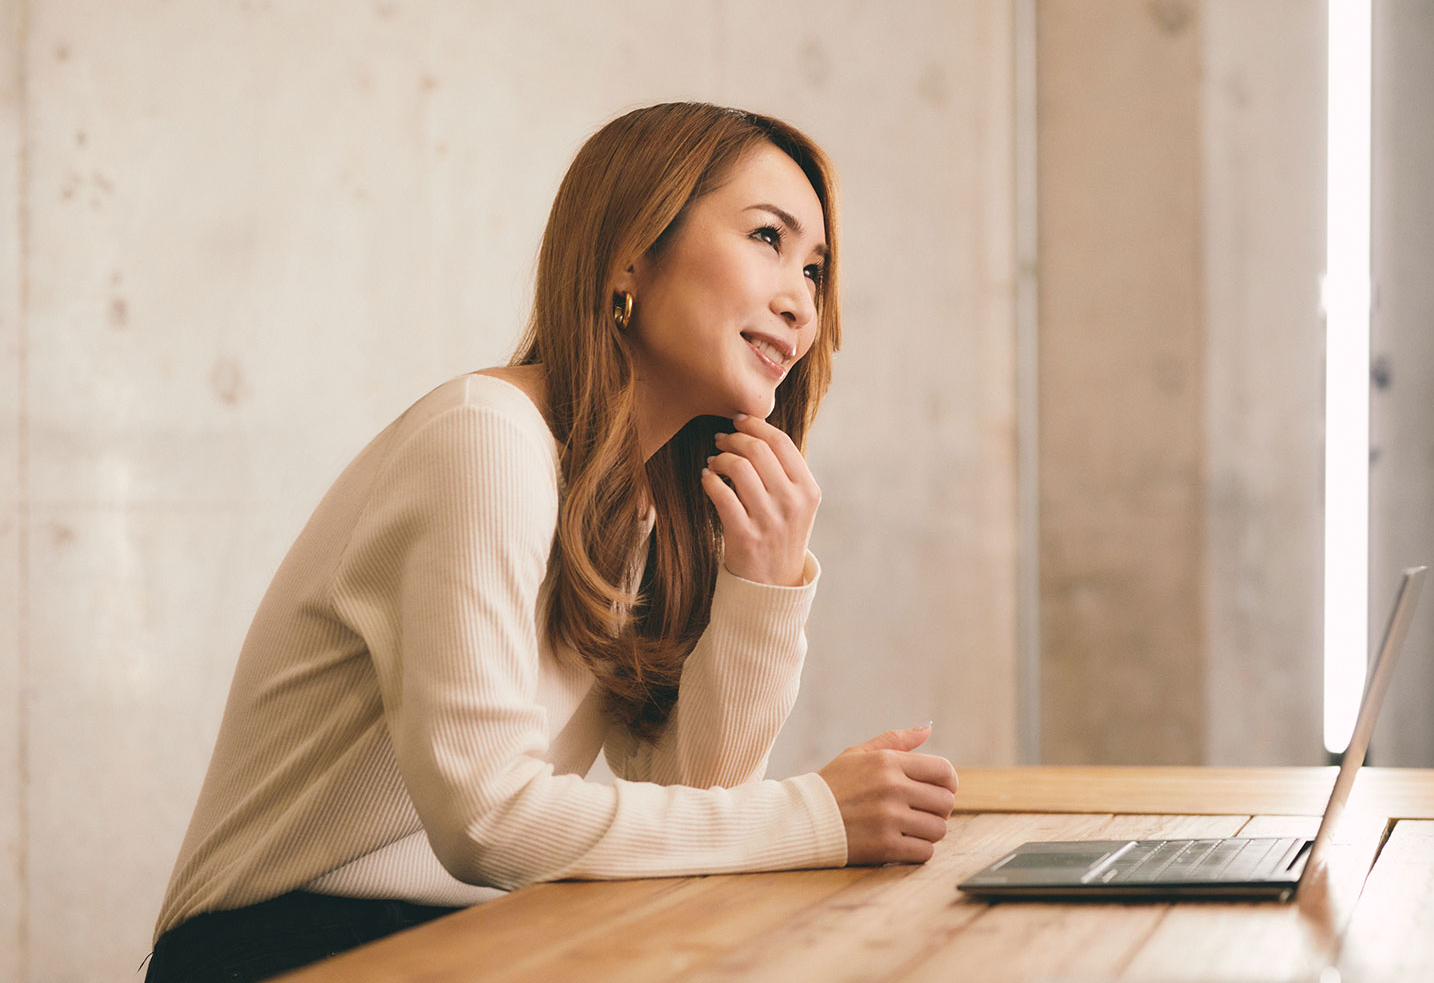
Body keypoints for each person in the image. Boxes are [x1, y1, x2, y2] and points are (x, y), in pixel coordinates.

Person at [144, 102, 958, 982]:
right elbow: (489, 820)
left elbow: (691, 804)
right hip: (290, 949)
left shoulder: (633, 504)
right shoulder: (485, 437)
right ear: (631, 255)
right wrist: (817, 817)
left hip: (477, 943)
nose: (801, 299)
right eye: (768, 238)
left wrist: (762, 586)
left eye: (816, 267)